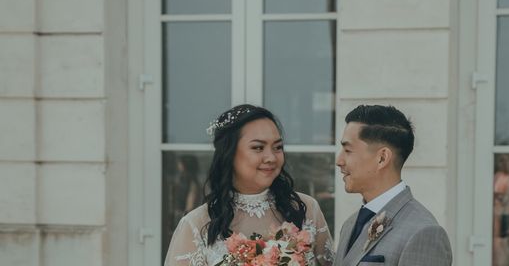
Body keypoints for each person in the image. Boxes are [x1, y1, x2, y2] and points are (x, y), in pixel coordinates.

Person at [164, 104, 334, 266]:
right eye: (258, 148)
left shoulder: (306, 209)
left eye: (278, 147)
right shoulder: (196, 224)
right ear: (229, 153)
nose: (271, 158)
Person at [334, 105, 452, 266]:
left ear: (382, 158)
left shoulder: (423, 232)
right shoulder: (350, 224)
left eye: (348, 150)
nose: (339, 161)